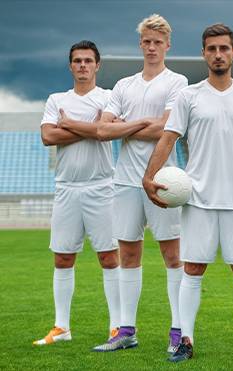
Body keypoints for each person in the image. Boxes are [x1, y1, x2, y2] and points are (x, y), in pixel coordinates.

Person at [143, 23, 233, 363]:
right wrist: (149, 176)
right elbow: (168, 138)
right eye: (212, 48)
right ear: (204, 53)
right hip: (197, 197)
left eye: (224, 48)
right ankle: (185, 339)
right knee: (193, 269)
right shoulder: (189, 95)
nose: (218, 54)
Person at [93, 14, 188, 352]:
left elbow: (167, 129)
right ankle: (125, 331)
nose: (151, 47)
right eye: (146, 41)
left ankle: (179, 331)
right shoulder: (123, 85)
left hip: (164, 180)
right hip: (125, 182)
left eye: (157, 42)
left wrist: (127, 124)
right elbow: (103, 130)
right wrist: (146, 122)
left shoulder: (178, 82)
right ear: (141, 44)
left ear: (167, 45)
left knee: (172, 255)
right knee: (128, 253)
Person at [34, 41, 120, 346]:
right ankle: (62, 327)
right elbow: (47, 136)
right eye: (77, 61)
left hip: (101, 187)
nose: (82, 65)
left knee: (109, 257)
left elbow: (107, 131)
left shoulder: (109, 98)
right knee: (62, 257)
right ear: (70, 66)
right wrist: (91, 127)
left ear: (97, 65)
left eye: (88, 61)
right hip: (66, 188)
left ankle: (116, 327)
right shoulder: (57, 99)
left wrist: (70, 124)